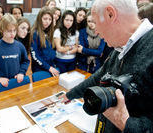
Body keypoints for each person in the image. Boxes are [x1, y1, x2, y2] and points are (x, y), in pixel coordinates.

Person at [59, 0, 153, 132]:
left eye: (96, 23)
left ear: (110, 14)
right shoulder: (121, 45)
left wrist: (127, 124)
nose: (96, 31)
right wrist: (70, 95)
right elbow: (100, 75)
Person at [0, 13, 30, 88]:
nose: (12, 34)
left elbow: (25, 61)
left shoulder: (20, 46)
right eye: (9, 31)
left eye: (14, 30)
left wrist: (21, 72)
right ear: (2, 30)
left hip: (17, 82)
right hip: (2, 85)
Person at [30, 7, 59, 77]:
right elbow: (35, 56)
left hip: (50, 66)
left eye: (50, 19)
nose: (48, 22)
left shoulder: (49, 31)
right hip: (40, 68)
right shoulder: (34, 33)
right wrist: (48, 68)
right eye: (45, 19)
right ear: (40, 19)